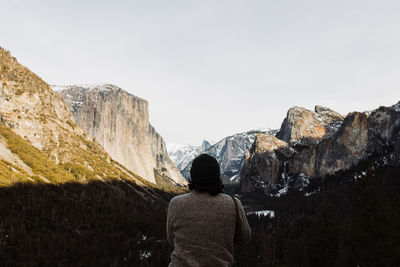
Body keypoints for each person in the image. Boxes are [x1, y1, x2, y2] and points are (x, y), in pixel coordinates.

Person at [166, 154, 251, 267]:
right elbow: (244, 238)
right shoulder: (233, 203)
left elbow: (171, 240)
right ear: (217, 177)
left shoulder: (175, 203)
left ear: (192, 176)